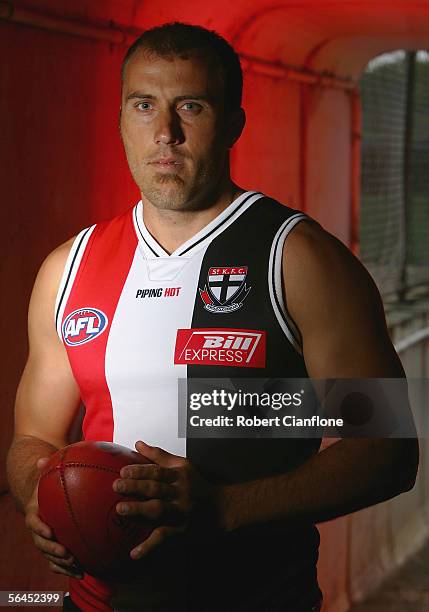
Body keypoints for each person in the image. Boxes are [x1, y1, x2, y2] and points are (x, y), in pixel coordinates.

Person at [7, 22, 418, 612]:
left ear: (233, 123)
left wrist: (224, 509)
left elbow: (388, 451)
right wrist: (38, 500)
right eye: (144, 105)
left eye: (190, 107)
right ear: (121, 118)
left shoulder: (299, 259)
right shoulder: (67, 269)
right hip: (96, 603)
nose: (165, 133)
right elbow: (34, 437)